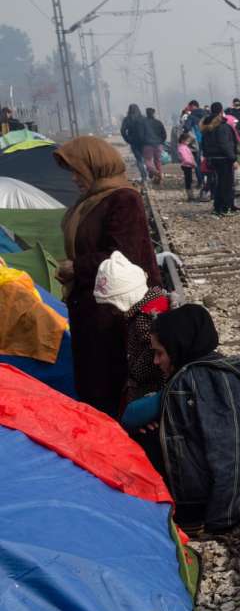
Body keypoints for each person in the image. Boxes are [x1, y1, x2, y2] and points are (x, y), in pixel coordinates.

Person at [145, 304, 240, 535]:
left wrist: (218, 520)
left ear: (178, 347)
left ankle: (187, 514)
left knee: (144, 447)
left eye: (160, 353)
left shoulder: (198, 380)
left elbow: (231, 453)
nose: (156, 362)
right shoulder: (215, 367)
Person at [53, 136, 162, 415]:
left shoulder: (123, 199)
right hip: (95, 312)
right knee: (96, 392)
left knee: (114, 391)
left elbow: (124, 258)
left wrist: (76, 267)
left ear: (96, 165)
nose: (75, 178)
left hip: (118, 319)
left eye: (78, 170)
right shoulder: (91, 200)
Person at [92, 250, 170, 408]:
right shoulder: (157, 301)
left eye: (113, 305)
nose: (113, 311)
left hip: (149, 386)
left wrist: (134, 377)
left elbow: (150, 352)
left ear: (125, 298)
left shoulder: (143, 319)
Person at [201, 101, 239, 216]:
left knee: (218, 182)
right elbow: (224, 144)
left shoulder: (206, 126)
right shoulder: (222, 126)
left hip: (212, 158)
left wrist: (207, 156)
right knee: (226, 183)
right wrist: (233, 158)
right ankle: (225, 207)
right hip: (224, 159)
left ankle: (220, 206)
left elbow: (203, 144)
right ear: (221, 111)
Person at [120, 104, 149, 182]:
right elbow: (148, 129)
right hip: (144, 142)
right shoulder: (143, 118)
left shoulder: (127, 119)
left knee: (139, 159)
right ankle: (149, 174)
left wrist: (128, 139)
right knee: (147, 159)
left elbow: (123, 131)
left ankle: (144, 176)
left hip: (134, 142)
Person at [142, 108, 167, 185]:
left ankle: (156, 173)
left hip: (147, 145)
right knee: (158, 161)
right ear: (154, 113)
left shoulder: (143, 123)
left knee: (148, 161)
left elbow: (141, 134)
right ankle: (159, 178)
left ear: (146, 113)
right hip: (158, 145)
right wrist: (161, 142)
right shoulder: (158, 122)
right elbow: (164, 134)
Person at [177, 132, 198, 201]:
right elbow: (185, 159)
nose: (189, 142)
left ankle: (191, 195)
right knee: (188, 181)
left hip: (188, 165)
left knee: (190, 180)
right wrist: (193, 163)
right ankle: (190, 196)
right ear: (183, 140)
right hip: (187, 165)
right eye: (188, 141)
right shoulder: (182, 148)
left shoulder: (184, 147)